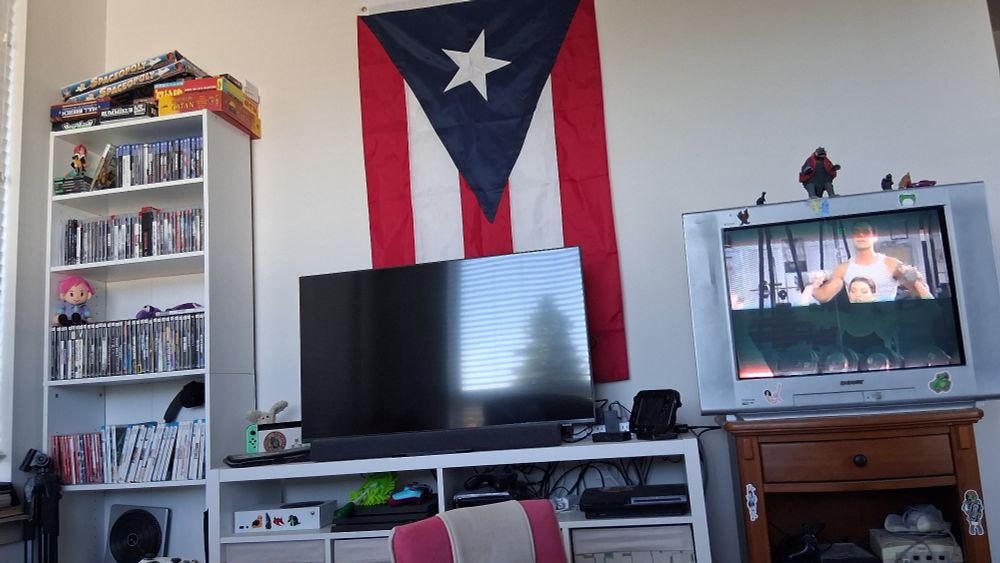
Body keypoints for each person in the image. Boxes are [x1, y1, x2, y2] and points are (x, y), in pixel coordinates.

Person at [808, 221, 933, 303]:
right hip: (858, 324)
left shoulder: (890, 264)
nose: (861, 235)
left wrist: (914, 279)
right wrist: (810, 283)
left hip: (887, 323)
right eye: (857, 233)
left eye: (865, 232)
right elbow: (824, 296)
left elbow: (919, 293)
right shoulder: (843, 268)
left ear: (874, 237)